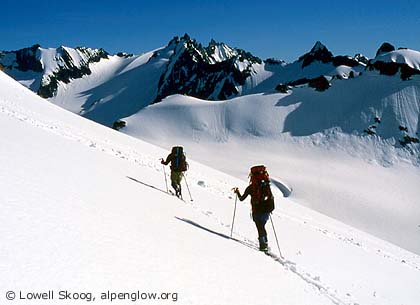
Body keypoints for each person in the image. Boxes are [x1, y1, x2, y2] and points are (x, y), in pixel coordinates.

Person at [234, 165, 275, 251]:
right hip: (266, 210)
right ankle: (265, 243)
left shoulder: (251, 188)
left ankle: (263, 246)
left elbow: (241, 199)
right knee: (262, 226)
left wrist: (237, 192)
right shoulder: (266, 185)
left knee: (259, 227)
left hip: (256, 210)